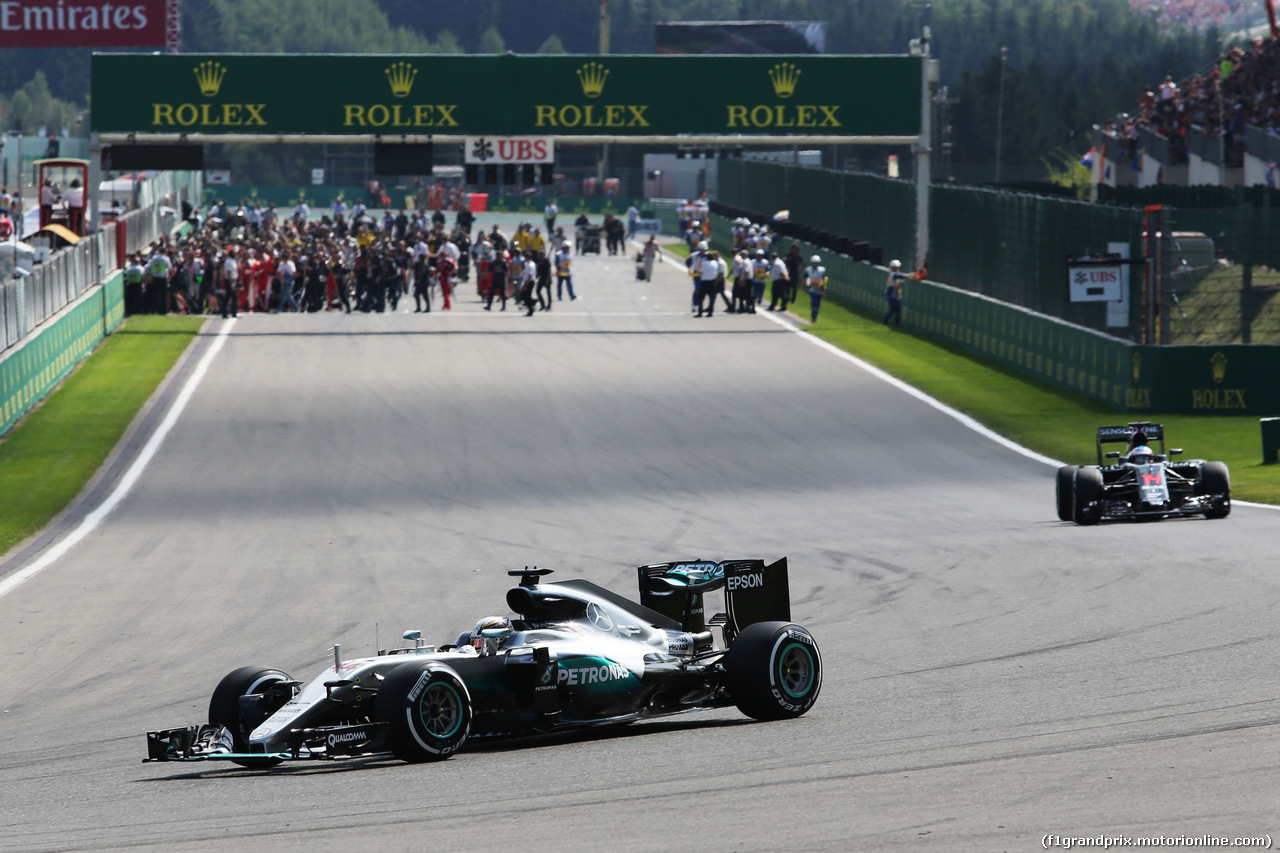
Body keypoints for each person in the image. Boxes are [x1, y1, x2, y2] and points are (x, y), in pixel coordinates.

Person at [804, 255, 828, 323]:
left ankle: (815, 314)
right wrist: (806, 285)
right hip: (812, 289)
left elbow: (824, 279)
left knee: (818, 303)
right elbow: (806, 278)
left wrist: (823, 286)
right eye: (814, 263)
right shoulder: (808, 269)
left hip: (819, 289)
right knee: (814, 302)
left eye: (816, 263)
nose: (815, 264)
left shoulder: (822, 270)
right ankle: (813, 316)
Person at [884, 259, 906, 326]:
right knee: (893, 307)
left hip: (895, 293)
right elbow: (896, 283)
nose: (897, 268)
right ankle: (886, 319)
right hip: (891, 293)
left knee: (898, 310)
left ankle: (896, 323)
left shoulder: (896, 274)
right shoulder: (892, 274)